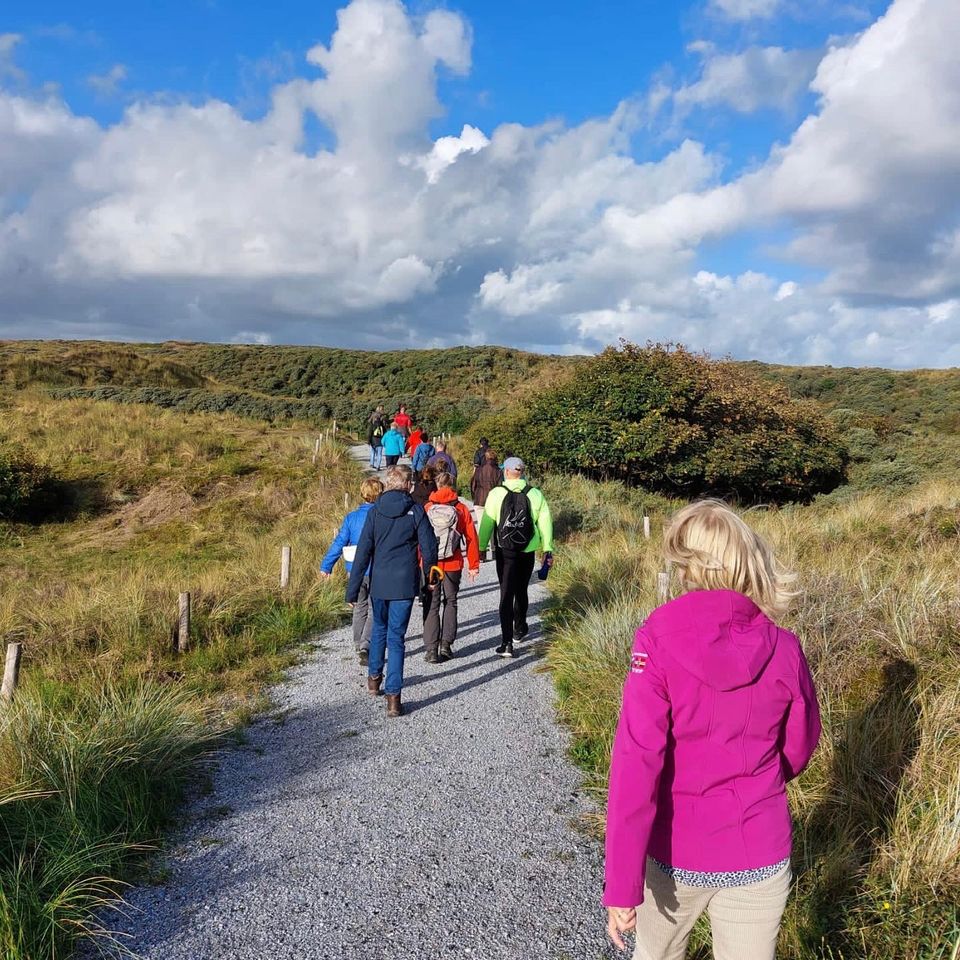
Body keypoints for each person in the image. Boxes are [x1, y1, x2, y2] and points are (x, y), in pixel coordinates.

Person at [603, 499, 821, 960]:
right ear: (746, 561)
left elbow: (635, 764)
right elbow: (799, 746)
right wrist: (755, 781)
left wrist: (621, 886)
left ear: (685, 566)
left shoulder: (656, 638)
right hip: (759, 847)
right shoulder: (785, 647)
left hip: (674, 848)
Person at [346, 465, 438, 718]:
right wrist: (431, 576)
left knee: (379, 630)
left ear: (387, 484)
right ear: (408, 485)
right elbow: (429, 547)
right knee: (396, 638)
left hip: (379, 583)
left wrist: (352, 591)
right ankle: (394, 700)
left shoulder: (375, 512)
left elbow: (363, 551)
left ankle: (374, 678)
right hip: (404, 584)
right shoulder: (415, 510)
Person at [477, 456, 553, 658]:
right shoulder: (535, 494)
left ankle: (507, 642)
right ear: (522, 472)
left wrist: (481, 547)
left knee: (506, 593)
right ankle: (520, 627)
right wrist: (547, 548)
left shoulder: (496, 494)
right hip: (528, 550)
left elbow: (486, 523)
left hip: (505, 551)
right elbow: (545, 522)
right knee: (521, 590)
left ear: (507, 472)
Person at [318, 477, 384, 666]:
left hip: (354, 570)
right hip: (377, 568)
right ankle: (366, 644)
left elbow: (339, 542)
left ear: (363, 494)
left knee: (359, 606)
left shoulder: (351, 518)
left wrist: (326, 565)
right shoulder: (382, 516)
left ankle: (358, 643)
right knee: (374, 608)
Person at [423, 472, 480, 663]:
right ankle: (446, 645)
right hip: (453, 563)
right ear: (453, 486)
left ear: (437, 486)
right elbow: (471, 538)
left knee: (432, 604)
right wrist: (474, 565)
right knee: (451, 601)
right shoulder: (461, 508)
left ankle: (431, 649)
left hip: (431, 564)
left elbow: (419, 540)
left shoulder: (428, 507)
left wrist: (419, 563)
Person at [470, 448, 500, 561]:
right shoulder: (498, 471)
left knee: (482, 527)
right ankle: (494, 551)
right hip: (493, 502)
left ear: (485, 458)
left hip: (480, 500)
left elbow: (473, 485)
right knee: (492, 527)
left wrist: (474, 496)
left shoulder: (478, 470)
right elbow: (500, 487)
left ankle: (481, 553)